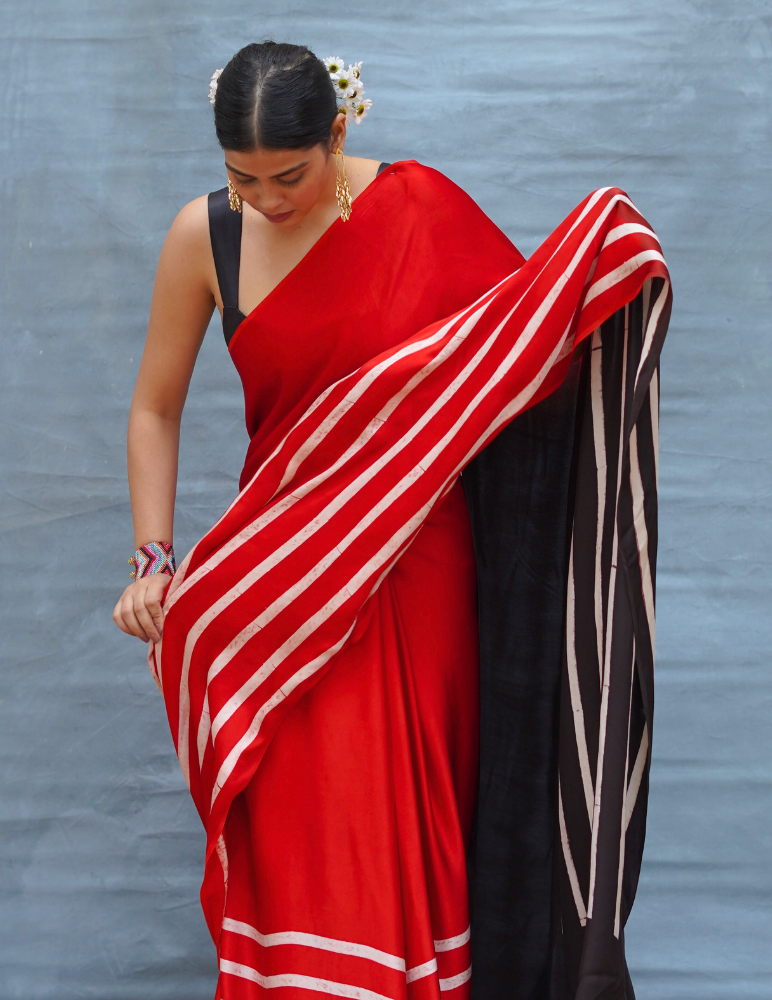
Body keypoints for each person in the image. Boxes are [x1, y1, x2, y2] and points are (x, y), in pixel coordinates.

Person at [113, 41, 670, 1000]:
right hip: (283, 583)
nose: (269, 199)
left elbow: (521, 355)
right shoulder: (203, 238)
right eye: (242, 177)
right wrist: (154, 558)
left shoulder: (418, 211)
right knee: (306, 846)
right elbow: (154, 407)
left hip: (420, 577)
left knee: (407, 837)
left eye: (290, 175)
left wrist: (609, 265)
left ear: (339, 130)